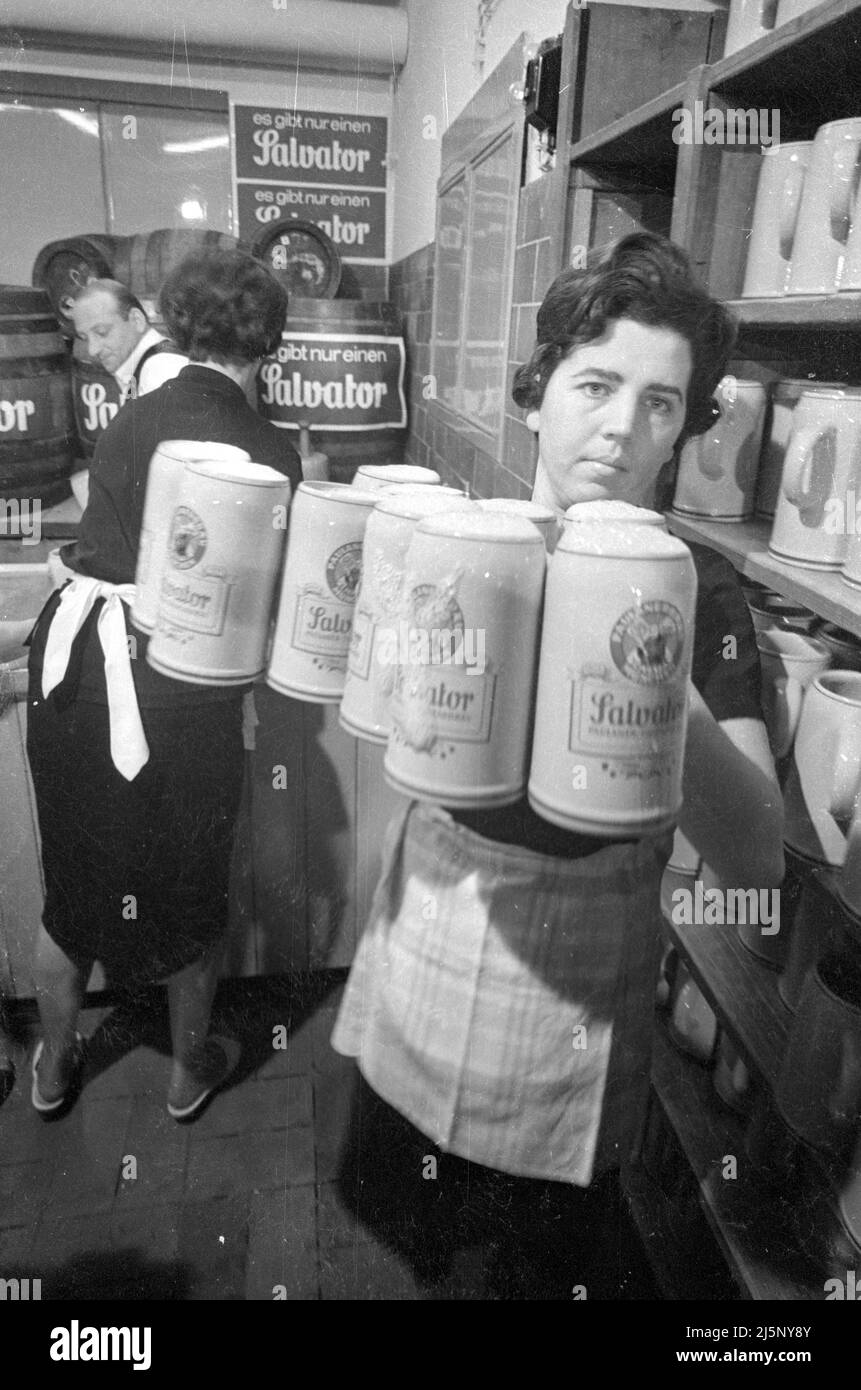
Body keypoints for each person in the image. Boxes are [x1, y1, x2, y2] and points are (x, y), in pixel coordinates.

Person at [331, 233, 785, 1295]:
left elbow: (757, 848)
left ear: (686, 427)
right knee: (417, 1235)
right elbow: (392, 719)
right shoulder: (461, 540)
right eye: (597, 383)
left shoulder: (698, 591)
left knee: (528, 1266)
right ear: (537, 396)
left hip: (576, 982)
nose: (625, 426)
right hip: (433, 927)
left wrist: (641, 649)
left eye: (664, 403)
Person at [26, 249, 302, 1122]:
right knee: (188, 893)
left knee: (71, 893)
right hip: (182, 697)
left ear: (176, 324)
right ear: (270, 344)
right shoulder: (269, 452)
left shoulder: (132, 419)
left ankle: (57, 1067)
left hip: (77, 675)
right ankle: (188, 1071)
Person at [70, 279, 187, 405]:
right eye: (84, 338)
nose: (92, 350)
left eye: (102, 332)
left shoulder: (160, 371)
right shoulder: (140, 370)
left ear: (136, 320)